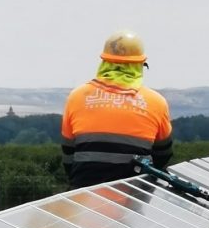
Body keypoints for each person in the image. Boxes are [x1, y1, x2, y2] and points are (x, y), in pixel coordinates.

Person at [61, 30, 173, 189]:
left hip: (84, 194)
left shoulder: (77, 97)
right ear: (139, 66)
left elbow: (68, 155)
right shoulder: (156, 102)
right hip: (134, 197)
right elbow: (163, 155)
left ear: (104, 63)